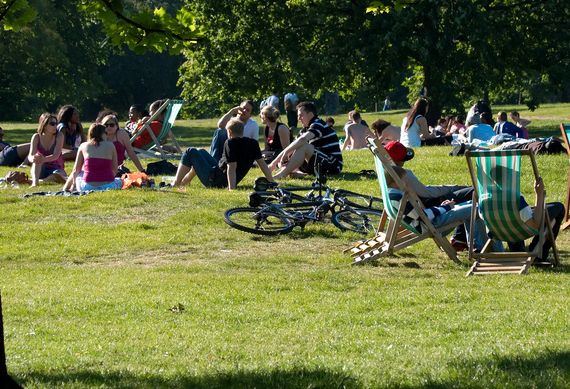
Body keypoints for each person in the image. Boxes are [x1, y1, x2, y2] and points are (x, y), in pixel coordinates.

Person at [383, 140, 474, 249]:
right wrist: (452, 189)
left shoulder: (388, 177)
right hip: (432, 206)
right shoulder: (403, 176)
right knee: (474, 193)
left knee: (470, 196)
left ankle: (460, 239)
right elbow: (428, 193)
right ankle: (460, 239)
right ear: (400, 160)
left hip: (425, 210)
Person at [173, 118, 273, 190]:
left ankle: (176, 183)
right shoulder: (253, 143)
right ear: (242, 131)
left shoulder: (230, 143)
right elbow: (263, 165)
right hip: (219, 174)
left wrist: (231, 189)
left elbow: (231, 168)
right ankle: (185, 181)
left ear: (229, 132)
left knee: (190, 151)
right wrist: (272, 182)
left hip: (215, 181)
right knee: (201, 152)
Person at [271, 101, 343, 179]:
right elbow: (294, 145)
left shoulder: (318, 124)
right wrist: (274, 163)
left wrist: (286, 153)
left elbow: (303, 139)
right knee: (294, 148)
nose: (298, 118)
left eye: (301, 115)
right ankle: (296, 172)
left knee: (303, 146)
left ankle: (281, 175)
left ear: (310, 114)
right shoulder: (304, 130)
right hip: (317, 162)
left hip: (333, 164)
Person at [503, 177, 563, 265]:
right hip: (522, 226)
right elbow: (535, 224)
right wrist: (539, 195)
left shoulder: (484, 199)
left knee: (511, 219)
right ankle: (538, 255)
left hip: (499, 231)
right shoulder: (515, 198)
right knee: (559, 207)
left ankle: (518, 250)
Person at [63, 123, 122, 192]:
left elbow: (76, 170)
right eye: (105, 133)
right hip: (108, 186)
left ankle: (65, 188)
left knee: (80, 172)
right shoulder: (111, 145)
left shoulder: (83, 146)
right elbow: (115, 169)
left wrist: (72, 185)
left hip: (87, 187)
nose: (107, 135)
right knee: (120, 180)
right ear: (102, 134)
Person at [28, 113, 67, 186]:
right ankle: (35, 183)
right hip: (40, 168)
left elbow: (56, 155)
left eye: (56, 123)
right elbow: (30, 156)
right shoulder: (36, 137)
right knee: (37, 158)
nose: (55, 126)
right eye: (52, 124)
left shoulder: (59, 136)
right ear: (44, 125)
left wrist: (43, 159)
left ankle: (36, 181)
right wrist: (34, 158)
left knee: (57, 175)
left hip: (56, 167)